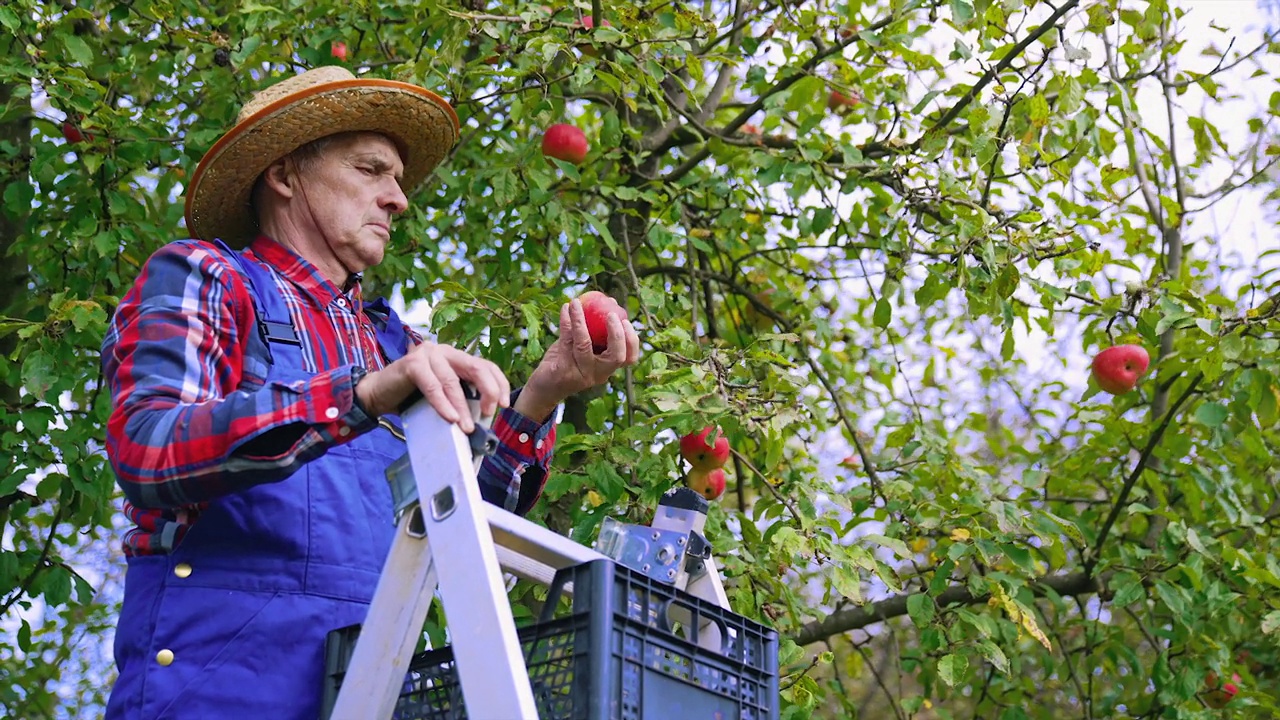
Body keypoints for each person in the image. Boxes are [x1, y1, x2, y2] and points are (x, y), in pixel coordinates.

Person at [100, 66, 639, 719]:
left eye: (398, 180)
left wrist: (546, 392)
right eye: (370, 170)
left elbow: (457, 523)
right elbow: (150, 450)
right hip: (214, 698)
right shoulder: (209, 278)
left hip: (369, 695)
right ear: (285, 174)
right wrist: (361, 395)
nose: (398, 199)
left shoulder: (397, 346)